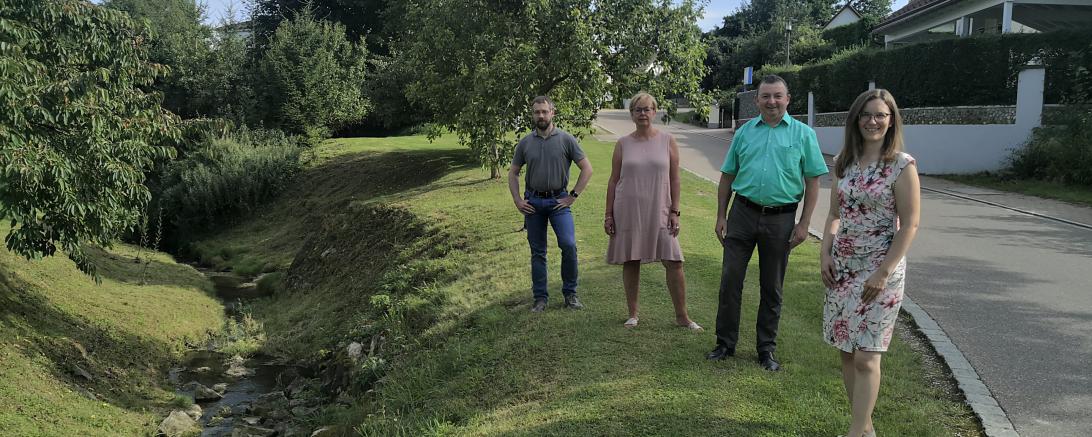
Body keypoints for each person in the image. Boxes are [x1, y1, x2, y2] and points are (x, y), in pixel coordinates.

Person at [708, 75, 828, 371]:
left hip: (781, 219)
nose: (771, 101)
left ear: (788, 99)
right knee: (730, 281)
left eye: (777, 96)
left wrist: (804, 223)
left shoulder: (803, 135)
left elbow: (813, 181)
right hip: (742, 214)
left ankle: (766, 349)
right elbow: (727, 177)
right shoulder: (745, 133)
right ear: (757, 100)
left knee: (772, 287)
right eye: (765, 96)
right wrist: (721, 215)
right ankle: (725, 343)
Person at [820, 89, 920, 437]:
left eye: (880, 115)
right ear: (855, 120)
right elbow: (835, 213)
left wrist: (883, 272)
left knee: (867, 355)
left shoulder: (901, 165)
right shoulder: (844, 162)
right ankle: (865, 428)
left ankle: (856, 431)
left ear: (891, 121)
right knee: (846, 351)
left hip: (882, 270)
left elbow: (909, 224)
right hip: (843, 266)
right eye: (866, 115)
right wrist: (824, 253)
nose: (873, 121)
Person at [604, 92, 701, 331]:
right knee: (631, 259)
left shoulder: (668, 140)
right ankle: (633, 314)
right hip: (628, 209)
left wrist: (675, 211)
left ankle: (682, 316)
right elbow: (613, 181)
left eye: (647, 109)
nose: (643, 114)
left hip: (660, 209)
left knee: (674, 261)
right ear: (632, 114)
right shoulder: (623, 143)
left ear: (655, 112)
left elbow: (675, 179)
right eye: (638, 110)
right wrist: (608, 214)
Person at [508, 95, 593, 312]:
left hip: (559, 203)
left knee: (569, 245)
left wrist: (573, 195)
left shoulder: (566, 140)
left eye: (544, 111)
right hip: (533, 203)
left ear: (552, 113)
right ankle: (540, 298)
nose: (541, 115)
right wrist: (518, 200)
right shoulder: (525, 143)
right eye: (537, 112)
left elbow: (587, 168)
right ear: (532, 115)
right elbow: (514, 173)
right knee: (538, 252)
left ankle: (570, 294)